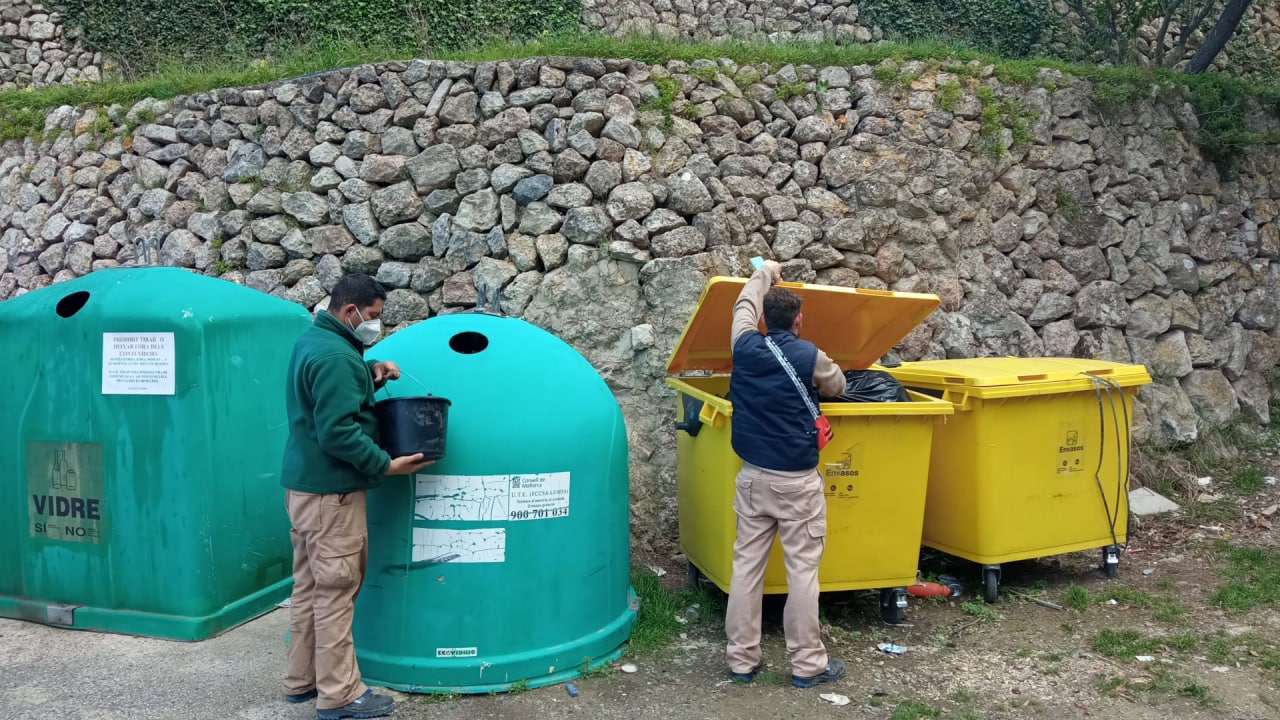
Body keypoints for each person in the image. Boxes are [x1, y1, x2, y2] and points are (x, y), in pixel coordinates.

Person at [279, 273, 431, 720]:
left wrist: (371, 376)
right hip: (333, 495)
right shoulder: (335, 355)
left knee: (309, 586)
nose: (374, 325)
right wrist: (386, 463)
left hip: (304, 488)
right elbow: (338, 431)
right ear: (350, 312)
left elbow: (326, 399)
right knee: (336, 591)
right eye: (373, 316)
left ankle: (301, 680)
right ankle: (341, 695)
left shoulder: (315, 341)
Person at [724, 260, 848, 689]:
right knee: (802, 573)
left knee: (746, 569)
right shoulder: (808, 354)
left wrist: (764, 273)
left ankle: (741, 660)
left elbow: (742, 305)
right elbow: (839, 387)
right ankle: (807, 665)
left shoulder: (743, 343)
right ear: (798, 320)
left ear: (761, 318)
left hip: (752, 477)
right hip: (797, 484)